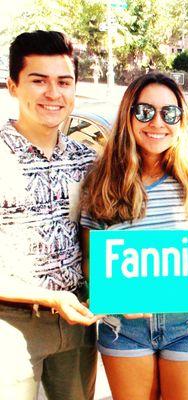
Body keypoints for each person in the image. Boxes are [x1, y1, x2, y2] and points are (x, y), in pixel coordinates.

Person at [80, 72, 188, 400]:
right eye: (145, 111)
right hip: (126, 329)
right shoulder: (102, 180)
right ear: (128, 115)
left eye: (170, 113)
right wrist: (114, 294)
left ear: (182, 119)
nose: (157, 123)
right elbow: (91, 261)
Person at [0, 30, 98, 400]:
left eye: (64, 82)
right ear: (13, 86)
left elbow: (94, 241)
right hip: (9, 325)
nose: (53, 93)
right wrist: (47, 297)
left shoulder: (87, 160)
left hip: (78, 321)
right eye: (38, 81)